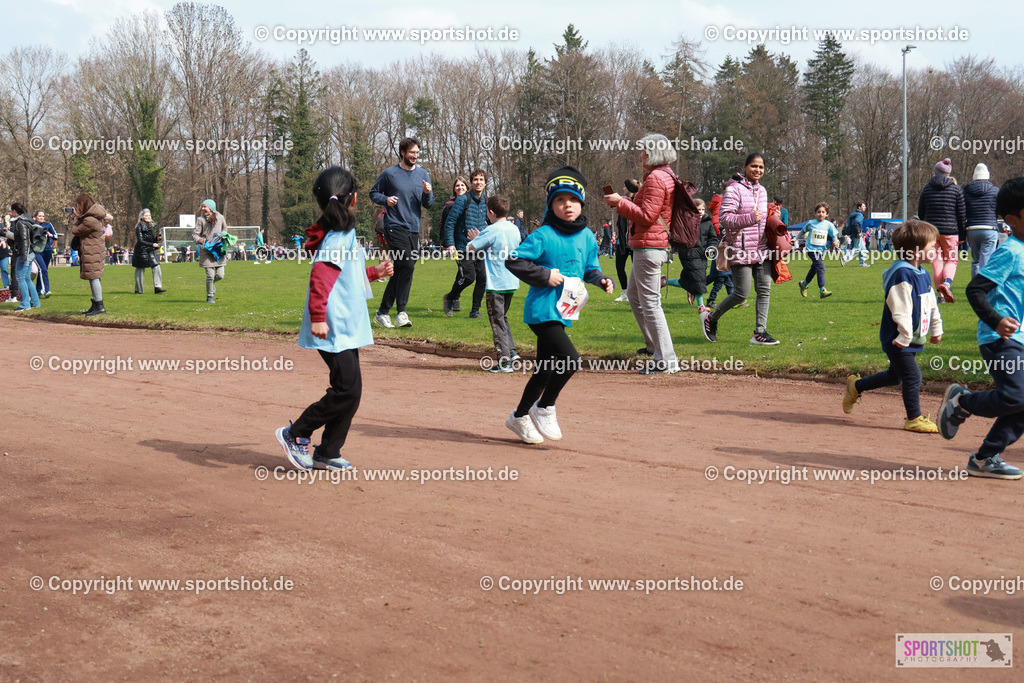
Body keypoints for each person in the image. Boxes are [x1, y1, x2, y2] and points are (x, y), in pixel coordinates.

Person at [275, 166, 394, 470]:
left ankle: (328, 451)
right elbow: (321, 276)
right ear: (352, 199)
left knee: (350, 389)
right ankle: (296, 432)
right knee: (347, 389)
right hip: (332, 325)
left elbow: (345, 274)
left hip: (344, 323)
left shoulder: (341, 233)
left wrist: (373, 273)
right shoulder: (338, 236)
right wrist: (317, 317)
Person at [504, 166, 613, 443]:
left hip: (565, 310)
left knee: (544, 370)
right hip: (542, 310)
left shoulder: (588, 236)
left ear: (582, 204)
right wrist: (544, 275)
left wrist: (600, 280)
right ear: (551, 205)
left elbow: (589, 267)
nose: (568, 205)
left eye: (574, 200)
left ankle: (518, 416)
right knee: (570, 359)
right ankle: (545, 407)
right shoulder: (543, 234)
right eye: (560, 200)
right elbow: (514, 260)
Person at [937, 178, 1024, 479]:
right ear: (1012, 220)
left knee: (1022, 401)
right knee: (1015, 397)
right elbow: (975, 289)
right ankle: (962, 401)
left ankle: (985, 458)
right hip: (1000, 337)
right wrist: (996, 320)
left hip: (1021, 339)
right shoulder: (1010, 251)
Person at [843, 220, 942, 433]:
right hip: (898, 337)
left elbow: (930, 303)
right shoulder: (901, 274)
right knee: (912, 376)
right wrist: (905, 335)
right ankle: (914, 418)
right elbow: (900, 309)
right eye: (932, 246)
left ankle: (856, 386)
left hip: (912, 337)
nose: (936, 249)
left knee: (894, 376)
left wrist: (936, 328)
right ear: (916, 250)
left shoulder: (922, 273)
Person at [604, 133, 680, 374]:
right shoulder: (661, 175)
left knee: (650, 304)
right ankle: (653, 346)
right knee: (636, 297)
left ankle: (665, 360)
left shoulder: (657, 178)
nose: (641, 154)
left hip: (649, 247)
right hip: (648, 245)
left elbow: (647, 216)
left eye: (644, 150)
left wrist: (620, 203)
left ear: (653, 152)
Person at [701, 153, 779, 345]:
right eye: (754, 166)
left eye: (761, 167)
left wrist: (773, 219)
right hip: (740, 249)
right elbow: (725, 219)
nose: (758, 170)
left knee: (764, 290)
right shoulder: (733, 189)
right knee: (741, 294)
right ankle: (711, 319)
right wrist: (751, 217)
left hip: (761, 248)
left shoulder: (762, 190)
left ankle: (759, 333)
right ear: (744, 167)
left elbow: (760, 220)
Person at [369, 136, 433, 328]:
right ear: (403, 153)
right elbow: (373, 193)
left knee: (401, 269)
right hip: (393, 225)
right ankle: (402, 313)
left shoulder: (423, 174)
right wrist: (386, 199)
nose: (415, 156)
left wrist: (428, 193)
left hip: (413, 228)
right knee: (408, 266)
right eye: (412, 152)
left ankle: (382, 312)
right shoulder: (389, 174)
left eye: (417, 153)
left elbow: (428, 205)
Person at [466, 195, 521, 372]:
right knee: (502, 317)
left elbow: (470, 248)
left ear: (491, 212)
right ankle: (512, 351)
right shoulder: (514, 228)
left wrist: (476, 238)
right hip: (511, 280)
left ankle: (504, 362)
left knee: (497, 322)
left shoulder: (492, 229)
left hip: (495, 282)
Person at [917, 157, 966, 303]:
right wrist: (962, 235)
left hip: (932, 231)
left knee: (936, 261)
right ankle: (947, 284)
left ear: (935, 172)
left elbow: (921, 212)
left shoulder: (927, 188)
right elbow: (962, 214)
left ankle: (940, 295)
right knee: (951, 259)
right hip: (951, 231)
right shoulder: (956, 189)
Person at [442, 169, 488, 318]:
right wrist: (450, 244)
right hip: (463, 246)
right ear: (472, 183)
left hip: (480, 246)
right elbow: (450, 223)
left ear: (485, 183)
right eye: (475, 179)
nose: (478, 182)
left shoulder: (485, 201)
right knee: (468, 277)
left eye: (481, 180)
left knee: (483, 278)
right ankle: (450, 297)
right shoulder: (463, 200)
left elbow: (488, 222)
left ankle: (475, 310)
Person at [664, 198, 715, 313]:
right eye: (698, 209)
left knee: (688, 282)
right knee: (699, 279)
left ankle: (665, 282)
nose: (701, 212)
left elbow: (712, 239)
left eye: (703, 209)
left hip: (702, 256)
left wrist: (711, 248)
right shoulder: (686, 221)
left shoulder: (708, 224)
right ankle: (701, 306)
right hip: (688, 254)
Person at [71, 194, 107, 315]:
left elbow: (75, 230)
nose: (77, 207)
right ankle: (96, 304)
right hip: (95, 250)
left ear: (83, 205)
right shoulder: (93, 217)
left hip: (92, 252)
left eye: (78, 205)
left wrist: (75, 218)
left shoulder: (89, 220)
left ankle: (99, 306)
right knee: (94, 277)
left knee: (93, 278)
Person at [963, 163, 1000, 280]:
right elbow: (999, 209)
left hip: (972, 229)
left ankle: (975, 290)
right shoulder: (995, 191)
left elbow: (963, 210)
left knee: (976, 261)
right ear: (987, 176)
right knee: (987, 261)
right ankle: (983, 291)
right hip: (989, 228)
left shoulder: (966, 191)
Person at [797, 203, 841, 299]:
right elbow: (802, 231)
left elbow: (834, 235)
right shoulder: (811, 223)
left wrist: (836, 242)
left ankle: (804, 284)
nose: (820, 214)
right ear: (815, 213)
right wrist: (795, 238)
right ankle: (822, 290)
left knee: (814, 269)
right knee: (821, 267)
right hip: (811, 249)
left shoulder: (829, 225)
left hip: (822, 250)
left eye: (823, 212)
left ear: (827, 214)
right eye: (818, 212)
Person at [192, 199, 227, 304]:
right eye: (202, 207)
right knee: (210, 275)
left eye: (205, 207)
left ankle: (211, 285)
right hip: (206, 251)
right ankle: (209, 296)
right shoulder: (200, 220)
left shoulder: (220, 218)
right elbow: (195, 234)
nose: (202, 209)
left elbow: (225, 229)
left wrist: (223, 234)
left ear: (211, 208)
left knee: (220, 275)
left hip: (218, 250)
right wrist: (199, 240)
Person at [8, 204, 40, 311]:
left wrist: (23, 255)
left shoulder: (20, 222)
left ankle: (25, 304)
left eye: (11, 211)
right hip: (31, 252)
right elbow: (21, 237)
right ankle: (35, 302)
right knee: (26, 278)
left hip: (25, 253)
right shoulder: (27, 220)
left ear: (14, 211)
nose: (9, 213)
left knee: (20, 278)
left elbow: (25, 240)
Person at [612, 179, 639, 302]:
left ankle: (636, 294)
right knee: (619, 267)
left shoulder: (639, 201)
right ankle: (624, 293)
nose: (623, 188)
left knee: (637, 270)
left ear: (629, 188)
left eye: (625, 186)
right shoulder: (622, 201)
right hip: (622, 241)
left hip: (634, 241)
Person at [132, 208, 165, 294]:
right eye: (146, 215)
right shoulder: (139, 227)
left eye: (149, 215)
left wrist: (157, 239)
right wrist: (152, 244)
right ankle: (138, 290)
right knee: (140, 270)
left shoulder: (152, 226)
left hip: (150, 250)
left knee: (156, 266)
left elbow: (151, 239)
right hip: (141, 251)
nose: (148, 217)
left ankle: (157, 287)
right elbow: (141, 241)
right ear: (142, 217)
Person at [32, 210, 57, 298]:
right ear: (35, 217)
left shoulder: (48, 225)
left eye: (43, 216)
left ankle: (38, 290)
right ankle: (46, 290)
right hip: (37, 251)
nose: (42, 218)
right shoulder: (33, 225)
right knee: (42, 269)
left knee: (43, 271)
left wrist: (51, 235)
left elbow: (56, 235)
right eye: (39, 216)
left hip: (47, 250)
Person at [840, 202, 869, 267]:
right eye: (863, 206)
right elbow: (856, 223)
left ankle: (862, 263)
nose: (864, 207)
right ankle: (844, 259)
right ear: (859, 207)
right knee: (858, 248)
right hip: (857, 233)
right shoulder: (859, 214)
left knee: (863, 249)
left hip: (854, 232)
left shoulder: (855, 214)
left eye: (865, 206)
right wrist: (858, 232)